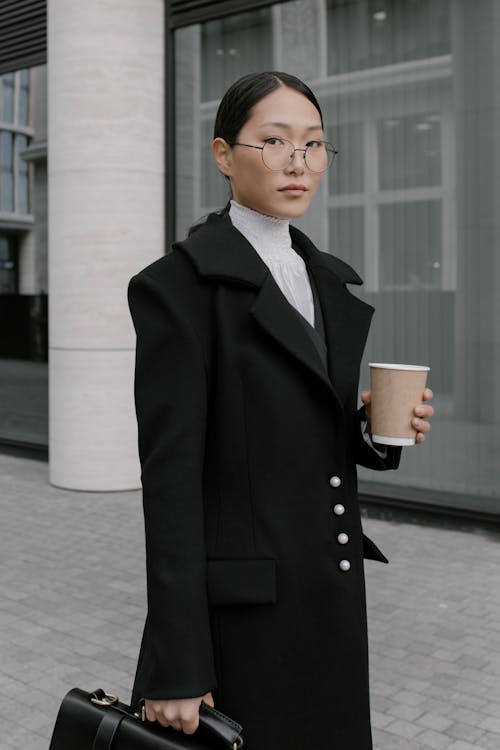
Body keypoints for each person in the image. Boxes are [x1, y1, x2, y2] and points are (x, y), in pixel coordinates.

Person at [127, 71, 434, 750]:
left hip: (327, 597)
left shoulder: (323, 277)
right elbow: (171, 484)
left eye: (315, 144)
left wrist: (374, 433)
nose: (300, 163)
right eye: (274, 141)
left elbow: (301, 427)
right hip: (243, 622)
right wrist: (178, 663)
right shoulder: (176, 290)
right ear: (222, 155)